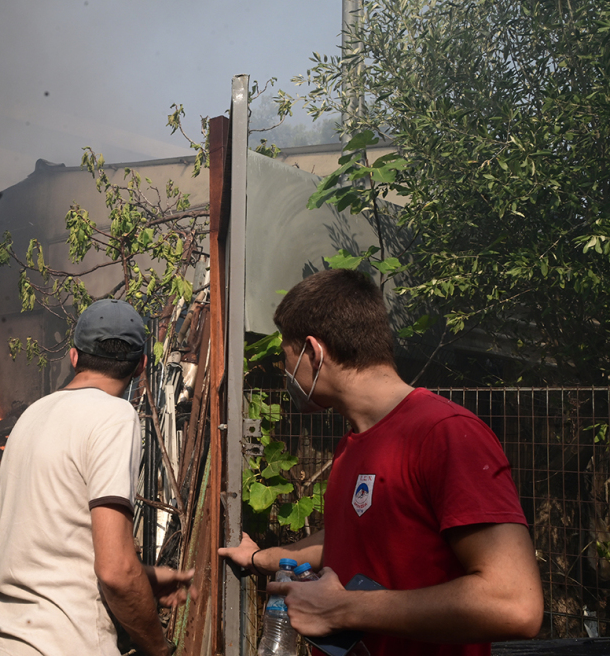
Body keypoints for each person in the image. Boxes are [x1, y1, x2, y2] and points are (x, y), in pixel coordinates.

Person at [218, 269, 543, 656]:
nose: (286, 372)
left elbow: (515, 605)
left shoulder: (446, 433)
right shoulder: (352, 444)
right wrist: (260, 558)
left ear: (314, 352)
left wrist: (342, 609)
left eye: (285, 358)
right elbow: (350, 537)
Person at [0, 298, 194, 656]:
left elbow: (52, 549)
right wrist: (158, 647)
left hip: (0, 643)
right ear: (141, 366)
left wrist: (145, 578)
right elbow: (115, 571)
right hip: (65, 644)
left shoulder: (31, 416)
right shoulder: (114, 416)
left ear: (74, 357)